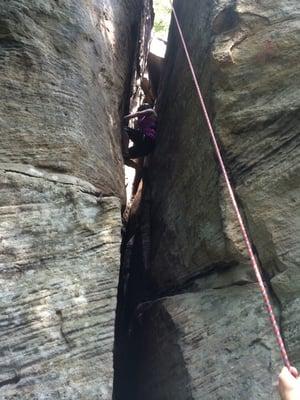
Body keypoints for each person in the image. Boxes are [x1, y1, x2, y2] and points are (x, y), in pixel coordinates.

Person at [123, 103, 157, 168]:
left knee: (124, 129)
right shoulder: (143, 119)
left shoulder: (151, 111)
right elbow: (137, 131)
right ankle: (141, 171)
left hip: (147, 139)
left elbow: (138, 113)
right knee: (125, 157)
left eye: (145, 106)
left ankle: (126, 151)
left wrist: (125, 118)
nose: (144, 107)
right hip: (147, 147)